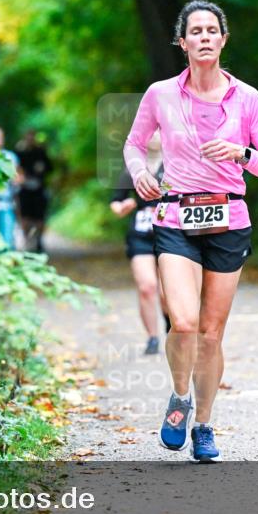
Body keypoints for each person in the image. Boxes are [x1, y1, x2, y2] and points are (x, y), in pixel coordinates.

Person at [124, 0, 258, 462]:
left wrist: (242, 154)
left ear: (223, 39)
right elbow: (135, 145)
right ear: (182, 42)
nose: (204, 37)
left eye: (212, 30)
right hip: (175, 217)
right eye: (194, 31)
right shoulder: (160, 94)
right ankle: (180, 398)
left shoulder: (248, 99)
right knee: (185, 323)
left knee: (211, 335)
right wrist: (139, 172)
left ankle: (205, 424)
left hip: (229, 220)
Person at [110, 130, 171, 356]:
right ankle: (152, 338)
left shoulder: (177, 164)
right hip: (140, 235)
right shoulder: (133, 169)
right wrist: (122, 207)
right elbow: (115, 203)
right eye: (150, 130)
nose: (154, 134)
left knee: (167, 293)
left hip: (170, 234)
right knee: (147, 287)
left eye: (159, 130)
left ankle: (170, 324)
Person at [15, 129, 54, 253]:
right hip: (25, 190)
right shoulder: (20, 152)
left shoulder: (41, 152)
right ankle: (27, 240)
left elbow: (50, 168)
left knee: (39, 218)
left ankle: (38, 241)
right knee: (25, 217)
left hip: (39, 190)